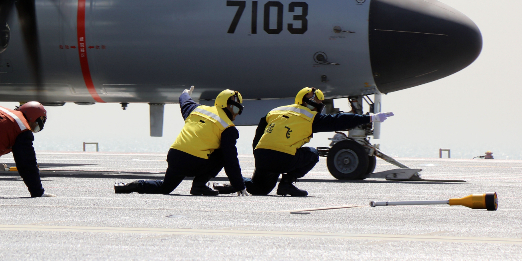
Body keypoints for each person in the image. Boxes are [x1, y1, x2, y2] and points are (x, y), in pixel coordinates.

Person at [240, 88, 392, 197]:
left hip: (262, 156)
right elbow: (339, 120)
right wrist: (371, 118)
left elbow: (259, 135)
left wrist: (259, 156)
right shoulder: (311, 117)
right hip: (283, 158)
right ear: (312, 104)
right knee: (312, 154)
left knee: (259, 189)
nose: (320, 106)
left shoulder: (275, 112)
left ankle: (235, 183)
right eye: (319, 103)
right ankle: (287, 183)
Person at [114, 88, 246, 196]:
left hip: (175, 157)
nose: (236, 114)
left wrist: (185, 93)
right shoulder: (228, 128)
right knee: (224, 154)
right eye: (235, 109)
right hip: (195, 162)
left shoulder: (197, 109)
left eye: (239, 111)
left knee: (165, 188)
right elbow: (231, 161)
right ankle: (199, 186)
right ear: (224, 105)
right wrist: (239, 186)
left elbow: (185, 101)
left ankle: (131, 186)